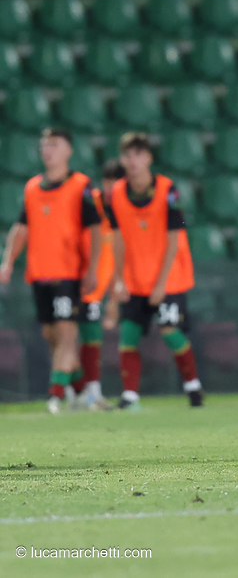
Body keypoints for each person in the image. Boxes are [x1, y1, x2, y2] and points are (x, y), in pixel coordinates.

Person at [0, 129, 101, 413]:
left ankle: (56, 394)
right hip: (39, 273)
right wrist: (8, 261)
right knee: (50, 335)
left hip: (68, 274)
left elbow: (94, 229)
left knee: (67, 333)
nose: (48, 150)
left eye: (54, 145)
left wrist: (93, 268)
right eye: (44, 145)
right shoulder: (33, 187)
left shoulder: (81, 185)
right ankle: (81, 391)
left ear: (68, 150)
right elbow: (22, 227)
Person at [108, 133, 203, 411]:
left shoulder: (167, 189)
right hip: (135, 279)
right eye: (127, 155)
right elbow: (116, 240)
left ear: (148, 158)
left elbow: (174, 240)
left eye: (138, 154)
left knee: (170, 331)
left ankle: (193, 386)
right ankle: (129, 396)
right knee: (128, 335)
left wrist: (160, 284)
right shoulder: (115, 194)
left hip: (170, 278)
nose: (132, 160)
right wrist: (118, 279)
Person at [75, 158, 126, 411]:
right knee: (75, 336)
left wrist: (114, 301)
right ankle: (83, 392)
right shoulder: (89, 203)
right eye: (109, 183)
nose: (112, 189)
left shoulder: (124, 208)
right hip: (77, 279)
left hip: (97, 286)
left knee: (88, 335)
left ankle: (86, 392)